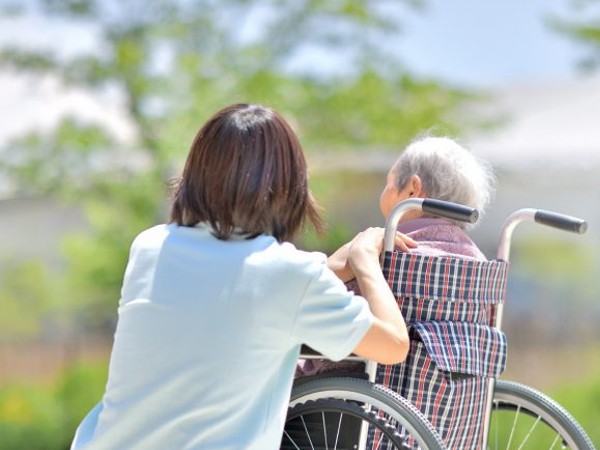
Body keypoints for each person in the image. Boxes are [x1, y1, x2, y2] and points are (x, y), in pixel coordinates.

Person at [69, 103, 414, 450]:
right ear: (286, 186)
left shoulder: (150, 246)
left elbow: (231, 289)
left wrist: (326, 268)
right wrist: (365, 260)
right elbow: (394, 345)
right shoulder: (290, 276)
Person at [297, 135, 495, 376]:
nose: (386, 190)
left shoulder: (385, 250)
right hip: (444, 404)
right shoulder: (480, 265)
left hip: (347, 398)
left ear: (413, 188)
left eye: (388, 183)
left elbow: (313, 305)